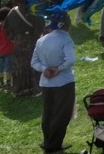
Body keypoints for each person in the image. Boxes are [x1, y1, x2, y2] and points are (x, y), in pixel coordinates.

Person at [30, 16, 77, 154]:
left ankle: (48, 141)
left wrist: (45, 69)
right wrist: (58, 69)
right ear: (65, 25)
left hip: (46, 83)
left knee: (48, 113)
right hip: (63, 82)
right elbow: (71, 59)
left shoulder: (41, 40)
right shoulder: (65, 39)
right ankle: (54, 144)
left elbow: (34, 62)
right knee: (61, 114)